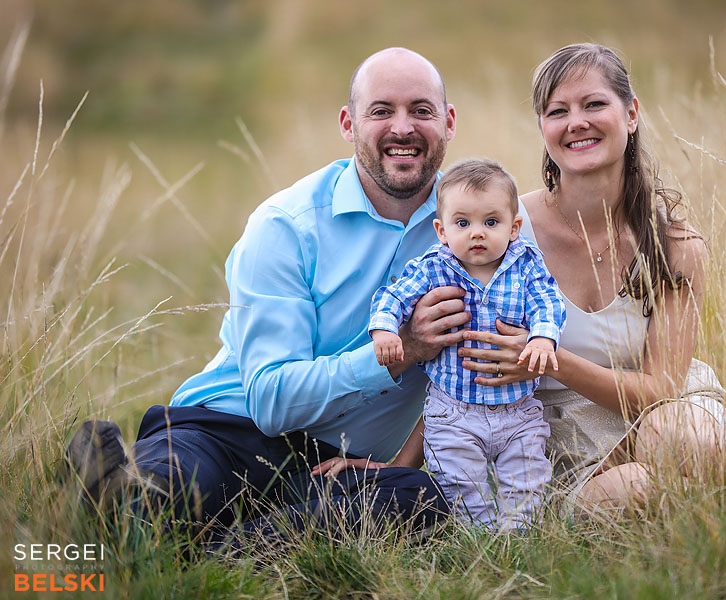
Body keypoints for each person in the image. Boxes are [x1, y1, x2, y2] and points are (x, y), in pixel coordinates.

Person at [66, 47, 472, 541]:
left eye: (421, 110)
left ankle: (208, 551)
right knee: (169, 487)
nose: (402, 128)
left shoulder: (475, 230)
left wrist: (399, 465)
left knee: (422, 499)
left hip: (337, 468)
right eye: (381, 111)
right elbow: (271, 402)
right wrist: (403, 349)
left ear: (449, 122)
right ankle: (122, 500)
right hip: (225, 432)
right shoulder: (286, 225)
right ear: (348, 124)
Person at [455, 43, 726, 513]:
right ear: (543, 128)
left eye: (594, 104)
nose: (576, 122)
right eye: (558, 111)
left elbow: (661, 388)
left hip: (665, 412)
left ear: (631, 114)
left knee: (677, 435)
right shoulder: (503, 232)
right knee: (638, 490)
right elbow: (451, 362)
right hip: (567, 442)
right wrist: (401, 463)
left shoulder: (675, 245)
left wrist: (549, 360)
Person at [366, 158, 567, 528]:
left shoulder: (526, 264)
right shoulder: (433, 267)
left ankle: (518, 540)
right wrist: (385, 330)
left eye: (491, 222)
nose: (477, 233)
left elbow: (548, 303)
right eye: (463, 223)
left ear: (514, 228)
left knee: (526, 485)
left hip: (517, 410)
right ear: (442, 230)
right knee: (462, 488)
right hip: (453, 412)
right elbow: (394, 297)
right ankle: (479, 539)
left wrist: (542, 338)